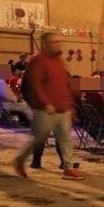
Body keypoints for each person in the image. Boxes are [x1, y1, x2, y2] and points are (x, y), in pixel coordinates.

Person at [13, 32, 84, 180]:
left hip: (62, 108)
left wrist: (70, 106)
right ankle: (20, 160)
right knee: (39, 138)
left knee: (65, 139)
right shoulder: (38, 61)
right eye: (54, 42)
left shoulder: (59, 61)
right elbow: (36, 84)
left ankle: (68, 168)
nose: (59, 44)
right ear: (45, 44)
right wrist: (46, 102)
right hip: (46, 109)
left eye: (59, 41)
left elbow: (64, 85)